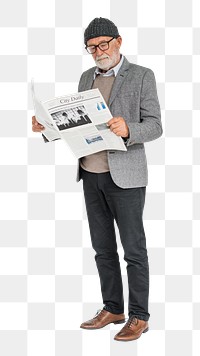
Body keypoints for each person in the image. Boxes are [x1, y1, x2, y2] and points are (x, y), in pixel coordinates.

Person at [32, 17, 162, 342]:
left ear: (118, 41)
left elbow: (156, 125)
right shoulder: (85, 78)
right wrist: (47, 129)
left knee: (134, 249)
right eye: (91, 47)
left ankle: (139, 316)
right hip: (90, 174)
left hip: (127, 176)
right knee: (102, 249)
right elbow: (77, 124)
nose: (98, 51)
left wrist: (130, 130)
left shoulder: (142, 76)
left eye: (103, 44)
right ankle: (113, 308)